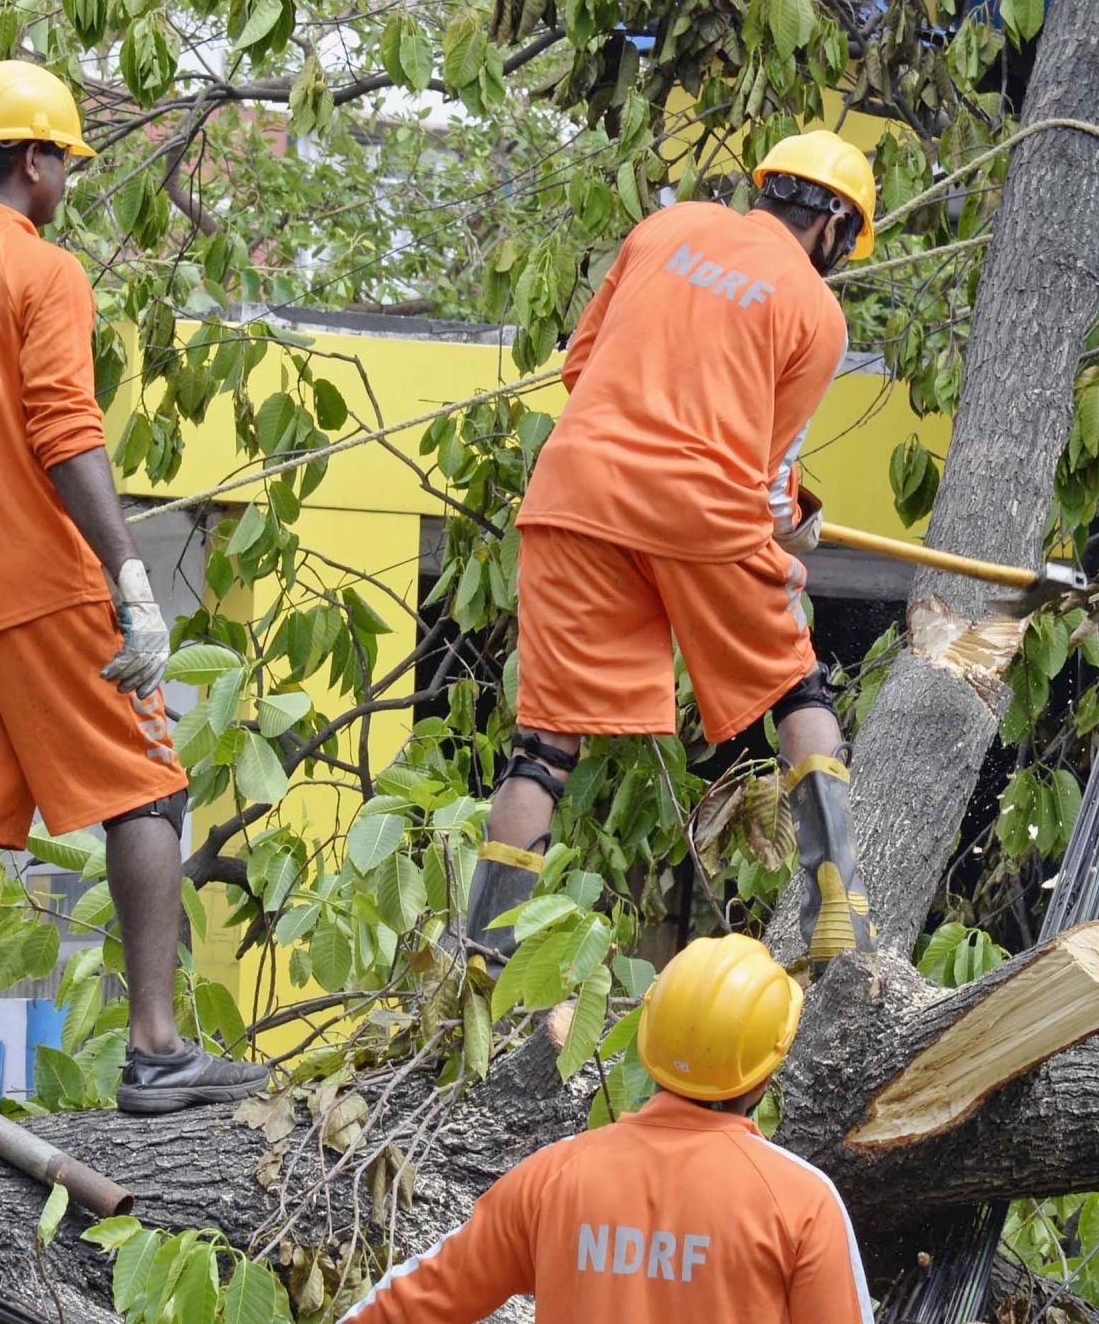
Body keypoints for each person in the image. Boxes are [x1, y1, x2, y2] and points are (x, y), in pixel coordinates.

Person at [0, 60, 268, 1115]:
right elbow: (64, 430)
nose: (65, 183)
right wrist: (126, 573)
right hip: (39, 585)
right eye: (64, 163)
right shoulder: (40, 272)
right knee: (148, 785)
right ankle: (154, 1049)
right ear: (34, 160)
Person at [469, 131, 882, 973]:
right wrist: (792, 526)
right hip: (702, 508)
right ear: (833, 223)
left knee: (543, 748)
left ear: (770, 190)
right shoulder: (817, 312)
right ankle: (840, 908)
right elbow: (765, 485)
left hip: (574, 493)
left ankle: (480, 960)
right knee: (796, 680)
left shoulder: (664, 228)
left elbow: (583, 372)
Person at [340, 934, 874, 1322]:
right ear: (766, 1071)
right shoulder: (801, 1205)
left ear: (649, 1038)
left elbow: (404, 1306)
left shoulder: (555, 1177)